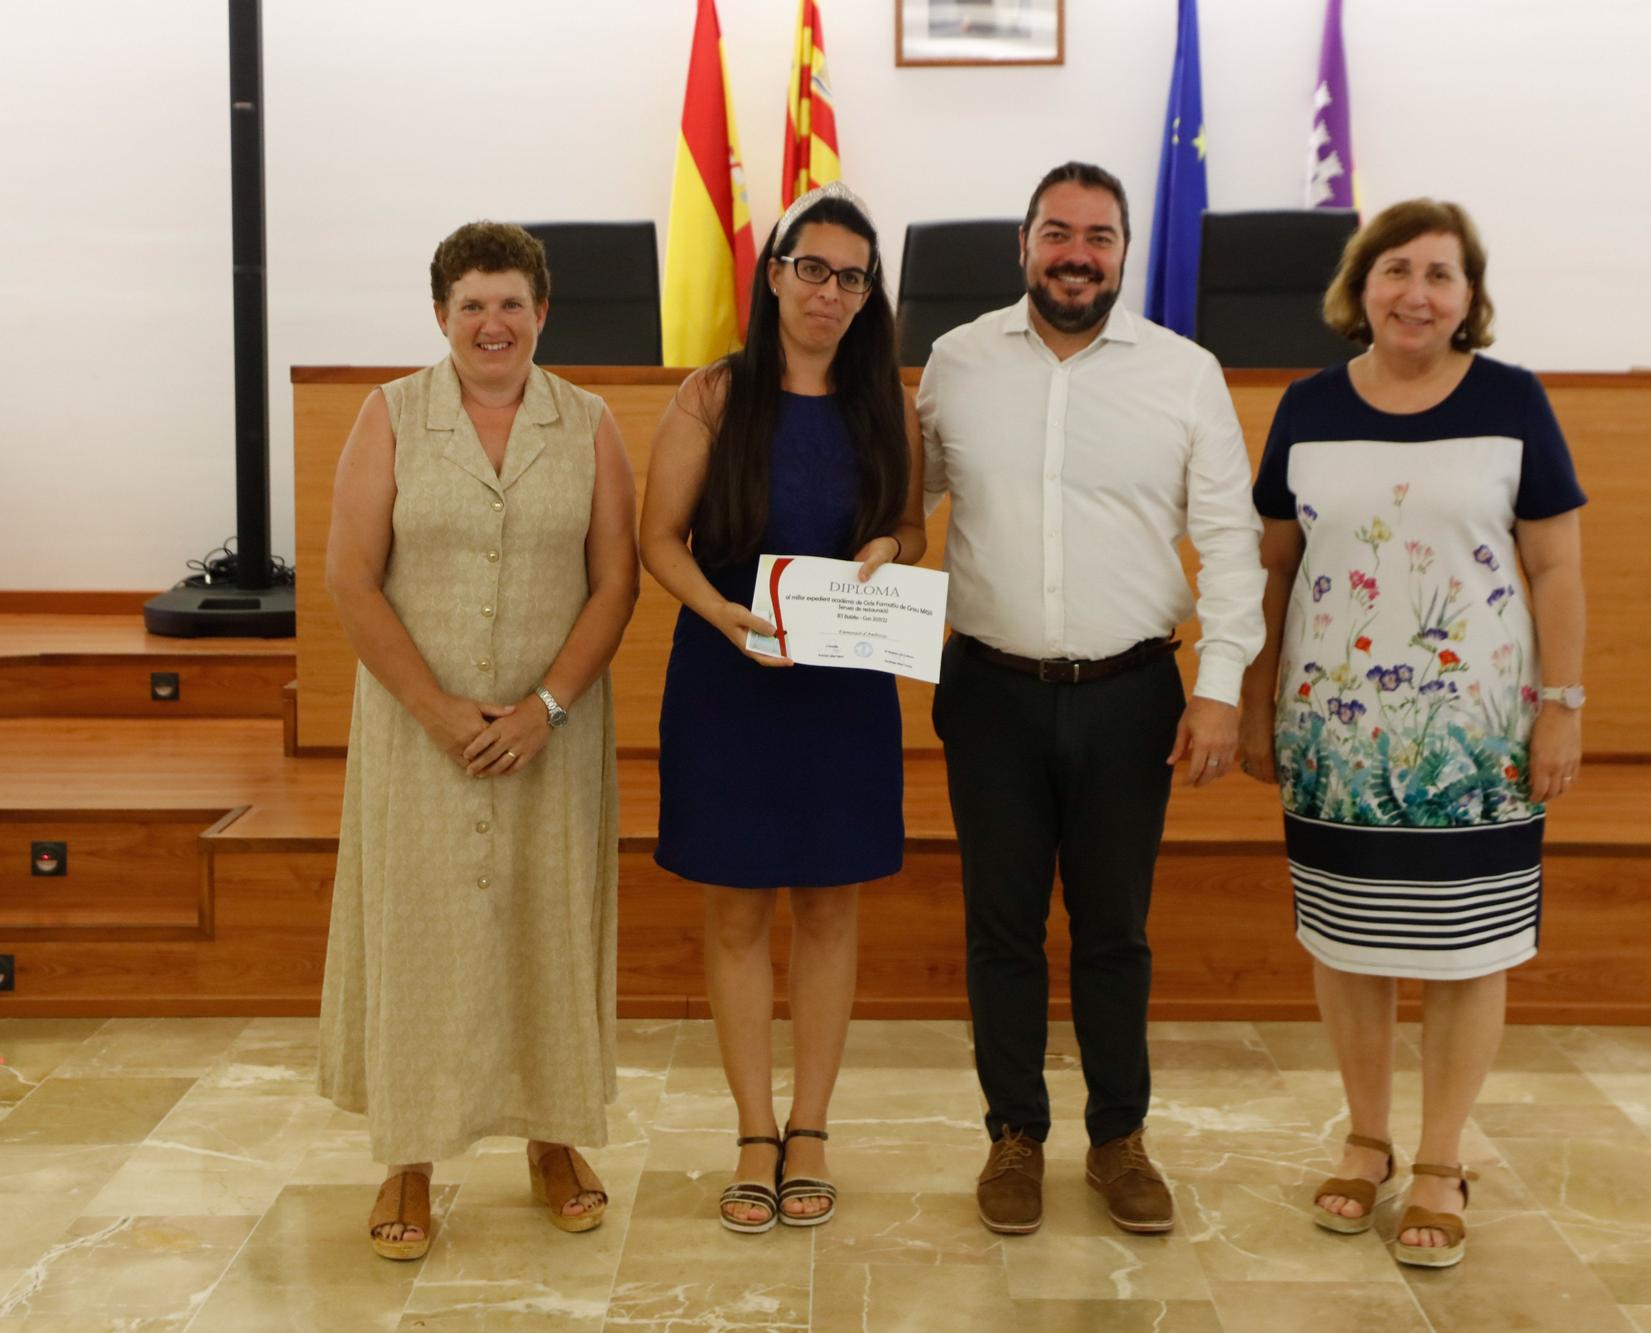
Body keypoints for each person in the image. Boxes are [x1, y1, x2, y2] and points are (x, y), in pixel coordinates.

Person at [918, 161, 1265, 1237]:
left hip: (1131, 699)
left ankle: (1118, 1137)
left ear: (1123, 251)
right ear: (1022, 244)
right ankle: (1012, 1136)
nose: (1076, 252)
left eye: (1098, 236)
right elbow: (898, 499)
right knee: (1001, 929)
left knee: (1114, 930)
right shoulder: (955, 361)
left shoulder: (1184, 372)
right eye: (1056, 231)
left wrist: (1215, 688)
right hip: (988, 693)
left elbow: (1229, 542)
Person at [1239, 198, 1587, 1269]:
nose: (1416, 293)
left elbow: (1555, 568)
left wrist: (1559, 707)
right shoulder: (1302, 405)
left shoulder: (1512, 401)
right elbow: (1274, 569)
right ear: (1361, 287)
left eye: (1440, 275)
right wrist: (1252, 700)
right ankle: (1366, 1137)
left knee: (1466, 947)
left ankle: (1439, 1157)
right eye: (1396, 270)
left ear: (1468, 297)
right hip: (1337, 737)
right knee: (1346, 944)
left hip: (1475, 740)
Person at [319, 221, 639, 1259]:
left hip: (553, 731)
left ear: (542, 312)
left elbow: (616, 581)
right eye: (471, 305)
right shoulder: (390, 416)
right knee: (417, 932)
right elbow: (350, 578)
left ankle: (554, 1142)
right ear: (441, 318)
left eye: (511, 302)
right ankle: (407, 1156)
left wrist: (544, 706)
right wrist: (437, 708)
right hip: (421, 732)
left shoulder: (587, 421)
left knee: (549, 923)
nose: (492, 322)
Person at [640, 181, 925, 1234]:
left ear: (867, 294)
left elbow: (905, 522)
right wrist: (723, 615)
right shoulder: (713, 395)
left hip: (843, 681)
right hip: (729, 673)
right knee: (735, 907)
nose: (830, 290)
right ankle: (753, 1129)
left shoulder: (886, 401)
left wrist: (889, 548)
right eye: (812, 267)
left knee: (831, 904)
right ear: (774, 274)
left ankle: (811, 1125)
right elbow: (656, 539)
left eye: (852, 276)